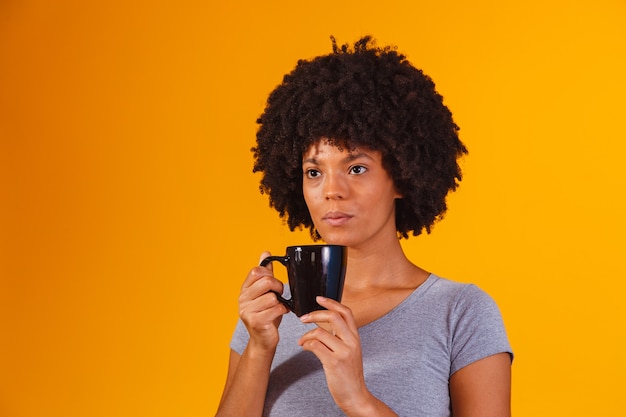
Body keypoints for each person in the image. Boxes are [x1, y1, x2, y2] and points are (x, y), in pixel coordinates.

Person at [216, 36, 512, 417]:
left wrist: (358, 398)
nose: (332, 191)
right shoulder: (268, 315)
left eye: (356, 168)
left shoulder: (461, 313)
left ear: (403, 177)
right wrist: (258, 347)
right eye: (313, 171)